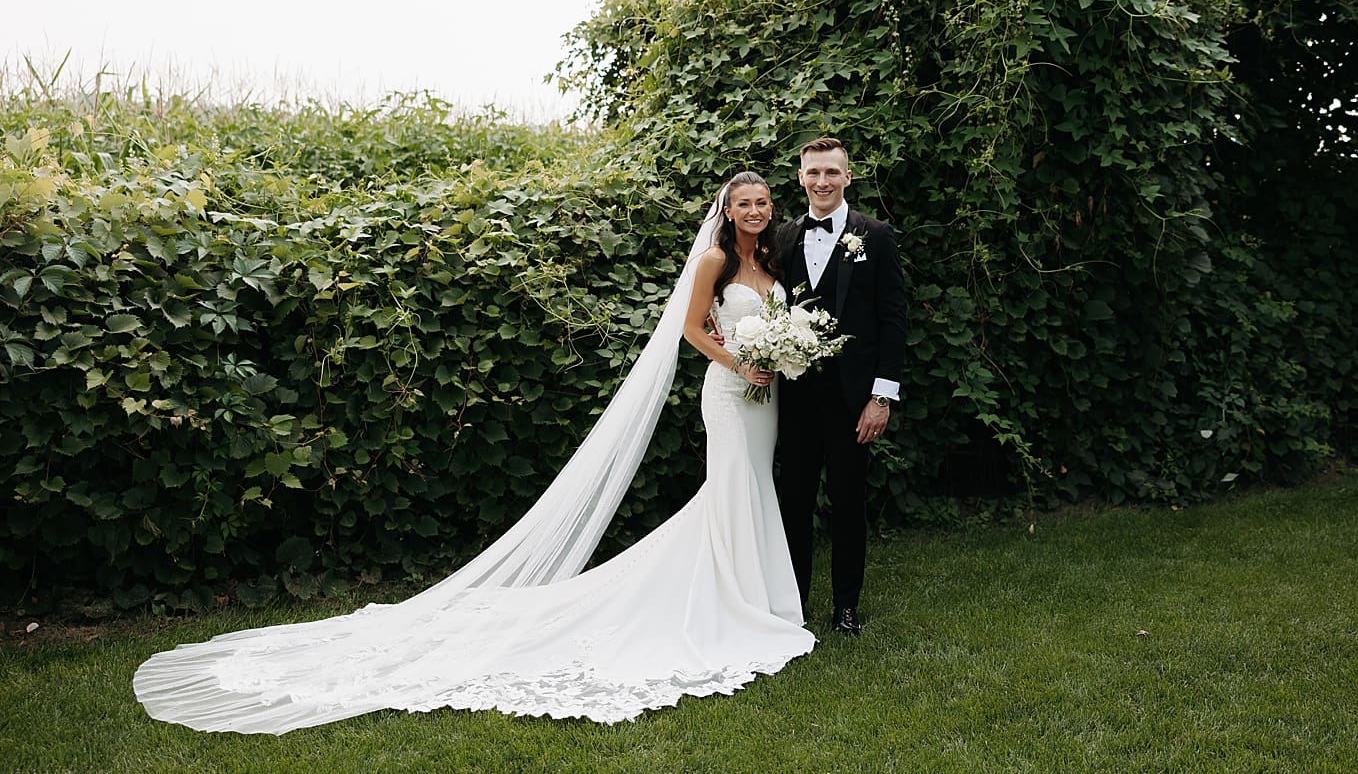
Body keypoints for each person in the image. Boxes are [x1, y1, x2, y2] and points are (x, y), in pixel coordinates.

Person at [132, 171, 814, 733]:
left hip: (767, 399)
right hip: (729, 395)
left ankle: (753, 592)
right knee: (729, 486)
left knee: (755, 486)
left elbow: (777, 322)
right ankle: (733, 600)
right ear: (726, 210)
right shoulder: (715, 260)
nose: (754, 211)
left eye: (761, 203)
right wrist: (736, 364)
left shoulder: (770, 262)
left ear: (770, 209)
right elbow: (692, 329)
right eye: (743, 203)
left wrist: (780, 357)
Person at [775, 137, 907, 636]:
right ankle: (794, 604)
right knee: (794, 502)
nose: (822, 182)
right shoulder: (783, 237)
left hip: (855, 401)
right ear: (801, 178)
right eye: (813, 173)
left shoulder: (876, 235)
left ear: (848, 177)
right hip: (795, 399)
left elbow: (893, 320)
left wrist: (882, 396)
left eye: (832, 172)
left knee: (849, 502)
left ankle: (846, 607)